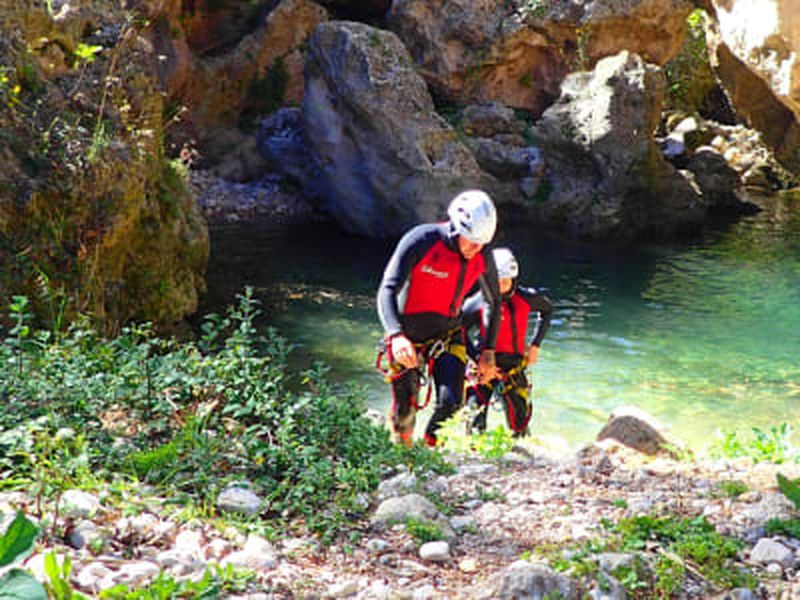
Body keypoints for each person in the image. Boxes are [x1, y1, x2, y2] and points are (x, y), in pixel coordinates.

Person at [376, 190, 501, 447]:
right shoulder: (421, 240)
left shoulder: (481, 254)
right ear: (456, 228)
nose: (475, 248)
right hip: (407, 335)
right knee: (405, 409)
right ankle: (402, 454)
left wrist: (489, 350)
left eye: (482, 243)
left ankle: (428, 455)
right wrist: (396, 335)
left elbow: (494, 301)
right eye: (471, 241)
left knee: (452, 404)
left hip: (447, 335)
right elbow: (387, 289)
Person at [463, 247, 553, 437]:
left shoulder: (526, 298)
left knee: (520, 424)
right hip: (483, 366)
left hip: (513, 366)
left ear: (513, 278)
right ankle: (473, 455)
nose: (500, 285)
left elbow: (547, 310)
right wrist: (474, 360)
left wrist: (535, 344)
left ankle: (521, 457)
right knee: (474, 419)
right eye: (496, 281)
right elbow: (458, 332)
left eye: (505, 281)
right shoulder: (476, 303)